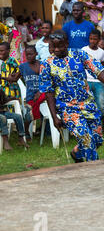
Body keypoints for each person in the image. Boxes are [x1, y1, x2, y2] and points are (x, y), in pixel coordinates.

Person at [39, 29, 104, 162]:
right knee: (86, 138)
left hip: (88, 104)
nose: (56, 50)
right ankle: (95, 170)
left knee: (97, 139)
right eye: (53, 46)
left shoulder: (79, 54)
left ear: (67, 43)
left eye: (60, 46)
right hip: (67, 107)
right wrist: (54, 116)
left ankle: (77, 153)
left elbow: (98, 70)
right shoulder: (46, 64)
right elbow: (48, 92)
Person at [19, 46, 46, 140]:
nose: (29, 56)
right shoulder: (23, 66)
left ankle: (27, 130)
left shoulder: (42, 65)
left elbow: (47, 80)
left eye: (31, 54)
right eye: (27, 54)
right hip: (30, 94)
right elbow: (15, 78)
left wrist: (40, 91)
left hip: (42, 93)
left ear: (36, 54)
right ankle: (26, 131)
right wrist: (5, 77)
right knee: (28, 111)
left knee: (38, 100)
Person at [81, 29, 104, 117]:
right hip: (87, 81)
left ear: (99, 40)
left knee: (100, 104)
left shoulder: (102, 52)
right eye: (91, 39)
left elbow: (102, 66)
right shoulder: (84, 50)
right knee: (86, 103)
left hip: (98, 82)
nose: (92, 41)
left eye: (95, 39)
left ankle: (100, 124)